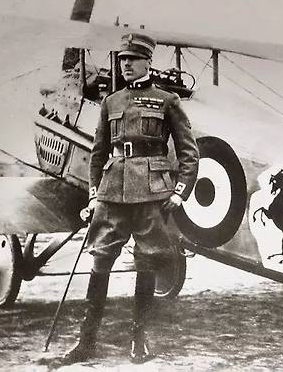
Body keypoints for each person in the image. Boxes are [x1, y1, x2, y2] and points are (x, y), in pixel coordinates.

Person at [63, 32, 199, 364]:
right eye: (123, 59)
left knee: (148, 260)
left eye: (133, 59)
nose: (126, 64)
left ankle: (139, 340)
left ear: (147, 61)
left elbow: (189, 153)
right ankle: (86, 341)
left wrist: (180, 192)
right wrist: (93, 195)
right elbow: (98, 154)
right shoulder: (111, 102)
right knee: (100, 260)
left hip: (151, 194)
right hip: (112, 192)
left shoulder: (167, 101)